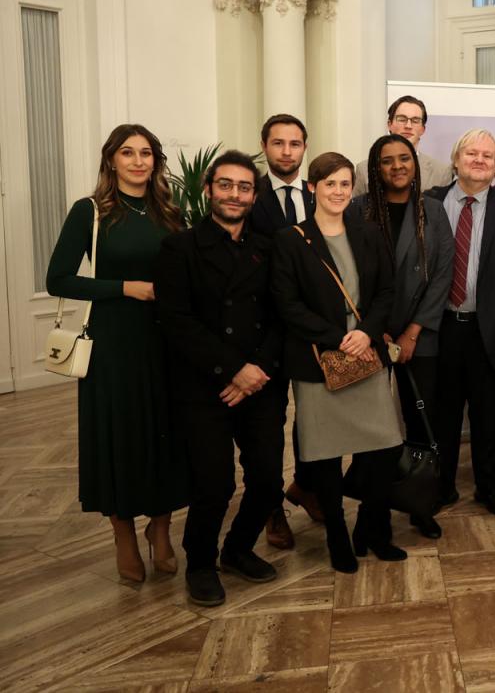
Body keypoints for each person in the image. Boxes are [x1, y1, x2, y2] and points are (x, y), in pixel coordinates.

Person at [46, 124, 188, 583]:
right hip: (112, 343)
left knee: (167, 434)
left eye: (146, 153)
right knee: (119, 436)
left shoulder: (170, 210)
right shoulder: (89, 212)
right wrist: (124, 288)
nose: (138, 161)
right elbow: (59, 279)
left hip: (166, 340)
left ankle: (161, 529)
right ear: (111, 160)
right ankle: (123, 534)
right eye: (127, 153)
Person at [155, 150, 285, 606]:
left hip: (261, 383)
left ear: (254, 195)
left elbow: (280, 317)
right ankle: (202, 563)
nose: (235, 194)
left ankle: (237, 549)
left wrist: (259, 370)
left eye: (244, 187)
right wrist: (233, 369)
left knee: (269, 478)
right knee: (214, 485)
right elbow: (176, 321)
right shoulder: (180, 247)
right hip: (204, 385)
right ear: (208, 189)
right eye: (226, 185)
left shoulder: (268, 249)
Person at [272, 152, 405, 573]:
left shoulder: (368, 233)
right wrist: (339, 337)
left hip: (366, 354)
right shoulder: (292, 239)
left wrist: (366, 333)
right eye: (329, 184)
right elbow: (286, 303)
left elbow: (387, 291)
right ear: (312, 188)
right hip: (317, 361)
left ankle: (374, 527)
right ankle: (337, 538)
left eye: (345, 184)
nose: (338, 191)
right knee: (326, 458)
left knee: (386, 447)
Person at [426, 129, 495, 516]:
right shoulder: (429, 205)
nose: (479, 160)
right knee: (443, 414)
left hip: (489, 331)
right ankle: (441, 486)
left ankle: (489, 487)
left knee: (488, 416)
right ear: (456, 160)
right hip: (439, 328)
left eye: (487, 156)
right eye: (471, 153)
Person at [349, 134, 453, 540]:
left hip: (419, 334)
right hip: (369, 335)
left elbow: (442, 274)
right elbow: (352, 276)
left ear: (415, 164)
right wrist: (378, 328)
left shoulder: (433, 210)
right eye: (388, 161)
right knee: (372, 427)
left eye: (404, 159)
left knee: (420, 424)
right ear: (376, 168)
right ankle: (370, 514)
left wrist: (412, 331)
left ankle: (421, 505)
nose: (397, 166)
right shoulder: (359, 210)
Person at [247, 113, 316, 549]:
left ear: (305, 147)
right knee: (268, 427)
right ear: (265, 147)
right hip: (265, 331)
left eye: (294, 144)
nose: (287, 151)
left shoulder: (319, 194)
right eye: (278, 143)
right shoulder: (247, 197)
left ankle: (306, 487)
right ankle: (271, 509)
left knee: (313, 419)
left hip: (311, 332)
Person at [353, 95, 454, 197]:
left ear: (423, 129)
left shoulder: (441, 172)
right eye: (402, 119)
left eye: (415, 121)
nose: (408, 126)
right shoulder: (364, 169)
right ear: (389, 124)